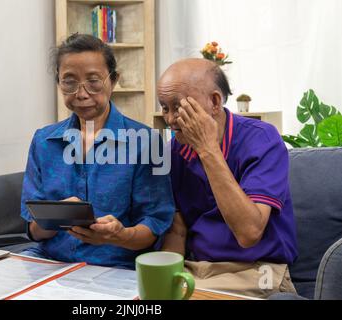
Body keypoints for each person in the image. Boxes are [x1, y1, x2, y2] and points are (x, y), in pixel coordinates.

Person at [20, 34, 175, 269]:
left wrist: (119, 235)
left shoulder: (146, 142)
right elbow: (33, 230)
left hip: (113, 267)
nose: (82, 94)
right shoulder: (44, 141)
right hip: (49, 263)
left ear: (113, 81)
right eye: (69, 82)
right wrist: (54, 218)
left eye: (94, 81)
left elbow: (154, 226)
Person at [158, 58, 298, 298]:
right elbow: (177, 231)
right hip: (199, 270)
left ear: (214, 101)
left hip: (257, 271)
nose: (170, 119)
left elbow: (249, 232)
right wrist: (165, 276)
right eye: (164, 107)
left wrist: (207, 149)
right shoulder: (174, 152)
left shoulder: (262, 140)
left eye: (178, 107)